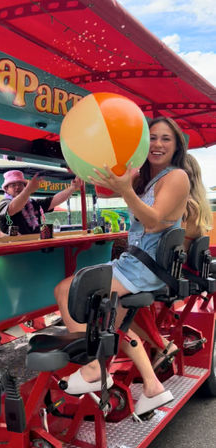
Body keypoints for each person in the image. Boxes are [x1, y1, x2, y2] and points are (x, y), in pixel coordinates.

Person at [54, 116, 190, 416]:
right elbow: (111, 186)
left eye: (165, 138)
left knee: (66, 289)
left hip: (145, 268)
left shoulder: (176, 176)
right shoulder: (148, 177)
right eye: (152, 137)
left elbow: (153, 222)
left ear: (176, 144)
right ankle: (153, 388)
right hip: (139, 264)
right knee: (111, 324)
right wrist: (88, 173)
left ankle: (91, 368)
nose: (157, 144)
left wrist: (126, 190)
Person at [131, 153, 213, 372]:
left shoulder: (184, 206)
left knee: (123, 297)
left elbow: (153, 231)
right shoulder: (198, 205)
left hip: (170, 272)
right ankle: (156, 344)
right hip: (180, 270)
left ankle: (160, 345)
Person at [0, 170, 82, 234]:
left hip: (35, 248)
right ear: (6, 189)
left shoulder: (32, 203)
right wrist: (28, 190)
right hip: (13, 253)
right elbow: (12, 208)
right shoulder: (3, 203)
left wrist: (72, 188)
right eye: (13, 185)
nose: (17, 187)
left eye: (20, 184)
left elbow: (54, 200)